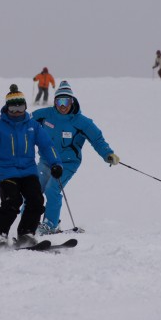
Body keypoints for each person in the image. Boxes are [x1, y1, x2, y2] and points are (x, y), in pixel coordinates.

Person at [0, 84, 63, 249]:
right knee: (12, 202)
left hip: (28, 171)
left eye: (20, 106)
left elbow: (47, 146)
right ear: (7, 108)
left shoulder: (33, 126)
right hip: (6, 173)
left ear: (25, 106)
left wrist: (56, 163)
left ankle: (26, 234)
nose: (17, 111)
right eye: (13, 107)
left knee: (36, 200)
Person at [31, 80, 119, 235]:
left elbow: (97, 139)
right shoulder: (43, 115)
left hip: (67, 163)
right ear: (55, 101)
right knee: (33, 190)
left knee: (52, 189)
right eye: (59, 101)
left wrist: (108, 154)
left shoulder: (82, 122)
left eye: (66, 101)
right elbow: (22, 123)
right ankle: (29, 223)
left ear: (72, 101)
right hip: (46, 161)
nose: (63, 105)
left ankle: (50, 224)